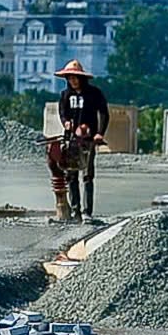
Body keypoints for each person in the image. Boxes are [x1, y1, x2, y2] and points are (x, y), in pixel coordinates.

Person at [48, 61, 110, 221]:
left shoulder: (94, 93)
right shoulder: (65, 95)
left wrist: (99, 133)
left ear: (81, 78)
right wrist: (66, 122)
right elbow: (62, 113)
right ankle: (76, 211)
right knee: (71, 175)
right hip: (71, 141)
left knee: (88, 175)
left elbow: (103, 113)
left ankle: (87, 212)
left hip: (88, 140)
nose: (73, 81)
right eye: (70, 78)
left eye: (75, 77)